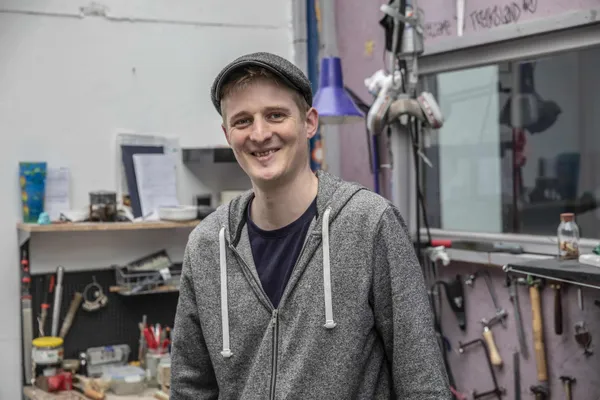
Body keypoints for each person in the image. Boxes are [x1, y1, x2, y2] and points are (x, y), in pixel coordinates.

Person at [170, 51, 451, 399]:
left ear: (309, 122)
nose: (260, 133)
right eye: (242, 121)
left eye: (275, 115)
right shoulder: (207, 245)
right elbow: (190, 389)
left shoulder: (369, 224)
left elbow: (422, 381)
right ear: (228, 135)